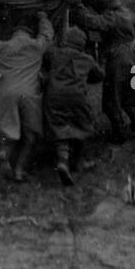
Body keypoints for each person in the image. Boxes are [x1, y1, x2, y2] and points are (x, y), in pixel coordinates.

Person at [73, 0, 135, 144]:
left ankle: (119, 133)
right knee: (133, 90)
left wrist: (78, 10)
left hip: (118, 58)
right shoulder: (127, 13)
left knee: (112, 96)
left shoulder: (111, 16)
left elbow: (93, 22)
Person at [0, 8, 53, 182]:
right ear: (30, 32)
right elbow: (47, 35)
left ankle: (4, 152)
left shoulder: (4, 47)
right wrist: (43, 17)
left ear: (14, 32)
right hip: (29, 94)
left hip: (7, 92)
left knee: (9, 131)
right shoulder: (36, 46)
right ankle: (20, 170)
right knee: (31, 135)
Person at [42, 26, 105, 185]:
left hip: (54, 95)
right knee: (82, 124)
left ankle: (63, 161)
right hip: (77, 97)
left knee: (59, 125)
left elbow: (44, 54)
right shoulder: (87, 59)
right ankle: (78, 162)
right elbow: (99, 76)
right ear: (82, 44)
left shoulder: (55, 53)